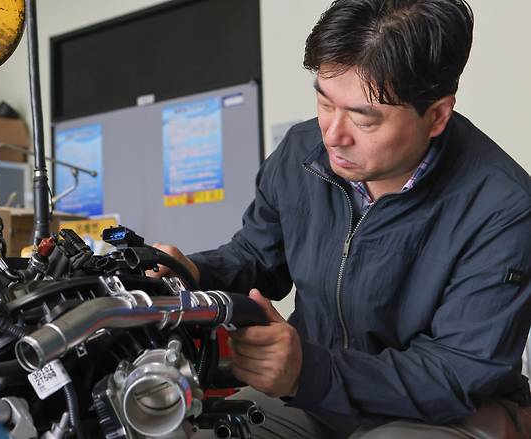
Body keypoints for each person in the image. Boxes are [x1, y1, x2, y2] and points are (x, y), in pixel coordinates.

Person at [150, 0, 531, 437]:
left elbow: (454, 374)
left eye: (364, 119)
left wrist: (306, 372)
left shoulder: (503, 207)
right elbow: (257, 256)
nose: (332, 135)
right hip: (319, 395)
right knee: (195, 429)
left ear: (437, 116)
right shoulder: (301, 152)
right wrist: (192, 272)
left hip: (447, 409)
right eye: (324, 101)